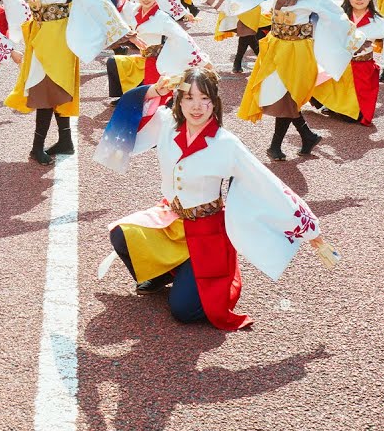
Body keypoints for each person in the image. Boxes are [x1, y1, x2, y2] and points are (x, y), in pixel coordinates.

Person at [95, 67, 334, 329]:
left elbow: (267, 185)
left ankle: (189, 272)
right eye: (189, 98)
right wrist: (154, 90)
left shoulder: (226, 144)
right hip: (171, 221)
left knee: (183, 311)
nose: (196, 107)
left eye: (204, 99)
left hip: (207, 232)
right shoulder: (165, 125)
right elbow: (131, 118)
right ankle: (166, 273)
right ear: (178, 101)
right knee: (119, 234)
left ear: (215, 102)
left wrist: (312, 232)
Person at [4, 0, 131, 165]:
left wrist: (123, 32)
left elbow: (96, 2)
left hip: (60, 35)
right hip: (39, 31)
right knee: (54, 87)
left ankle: (36, 146)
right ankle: (65, 140)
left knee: (48, 87)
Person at [236, 0, 361, 158]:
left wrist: (357, 40)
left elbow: (338, 17)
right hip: (275, 45)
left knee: (287, 95)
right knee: (278, 94)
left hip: (298, 49)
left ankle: (278, 145)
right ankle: (306, 136)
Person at [106, 0, 208, 99]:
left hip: (158, 62)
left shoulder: (162, 18)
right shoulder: (133, 10)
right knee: (113, 62)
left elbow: (182, 37)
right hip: (142, 59)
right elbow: (113, 10)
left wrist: (203, 61)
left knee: (151, 100)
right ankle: (122, 97)